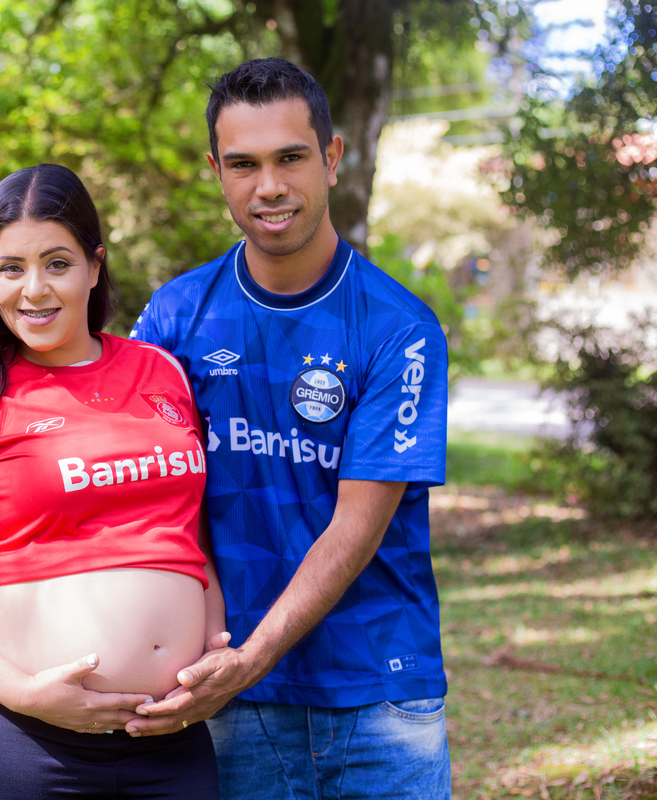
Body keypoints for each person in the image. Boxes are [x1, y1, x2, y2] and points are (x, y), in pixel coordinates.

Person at [128, 58, 452, 799]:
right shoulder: (176, 318)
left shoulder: (398, 329)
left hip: (378, 692)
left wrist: (254, 655)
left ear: (332, 159)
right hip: (225, 689)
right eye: (243, 164)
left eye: (290, 158)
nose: (268, 186)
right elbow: (139, 488)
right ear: (216, 170)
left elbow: (356, 527)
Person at [0, 163, 227, 799]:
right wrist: (25, 695)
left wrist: (208, 647)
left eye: (57, 263)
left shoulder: (161, 371)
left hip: (169, 739)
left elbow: (186, 532)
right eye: (11, 268)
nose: (33, 289)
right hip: (18, 741)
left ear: (95, 264)